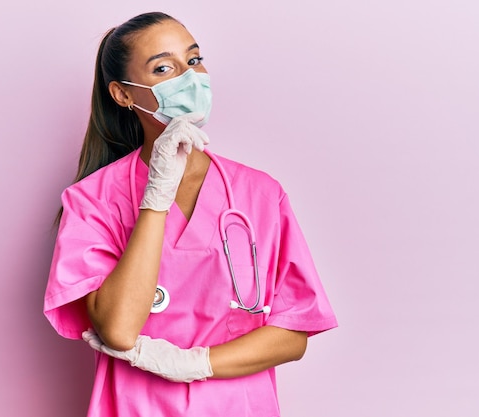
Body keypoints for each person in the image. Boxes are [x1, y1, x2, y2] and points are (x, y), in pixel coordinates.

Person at [43, 11, 338, 417]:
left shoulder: (261, 194)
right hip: (135, 407)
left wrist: (192, 364)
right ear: (123, 94)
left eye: (194, 60)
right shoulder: (92, 200)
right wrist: (156, 196)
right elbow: (118, 328)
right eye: (164, 68)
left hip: (239, 407)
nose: (189, 77)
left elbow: (293, 333)